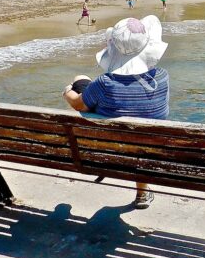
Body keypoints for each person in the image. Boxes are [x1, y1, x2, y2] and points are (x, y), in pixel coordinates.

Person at [62, 15, 170, 209]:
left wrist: (67, 92)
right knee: (141, 135)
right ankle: (142, 193)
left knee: (81, 81)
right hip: (147, 151)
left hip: (108, 151)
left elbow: (78, 105)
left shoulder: (104, 83)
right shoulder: (161, 78)